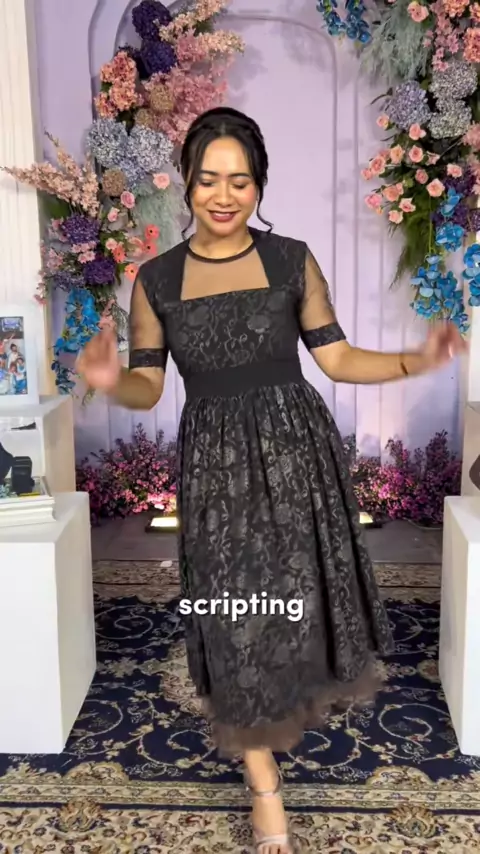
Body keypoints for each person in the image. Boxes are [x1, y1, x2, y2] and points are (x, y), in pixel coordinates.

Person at [78, 107, 466, 854]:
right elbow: (146, 387)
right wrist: (108, 380)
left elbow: (338, 359)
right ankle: (264, 784)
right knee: (230, 616)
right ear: (186, 183)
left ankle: (287, 702)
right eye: (208, 180)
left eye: (241, 181)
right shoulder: (155, 280)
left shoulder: (291, 260)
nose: (224, 196)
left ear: (259, 185)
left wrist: (415, 360)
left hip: (296, 453)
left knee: (295, 601)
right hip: (214, 466)